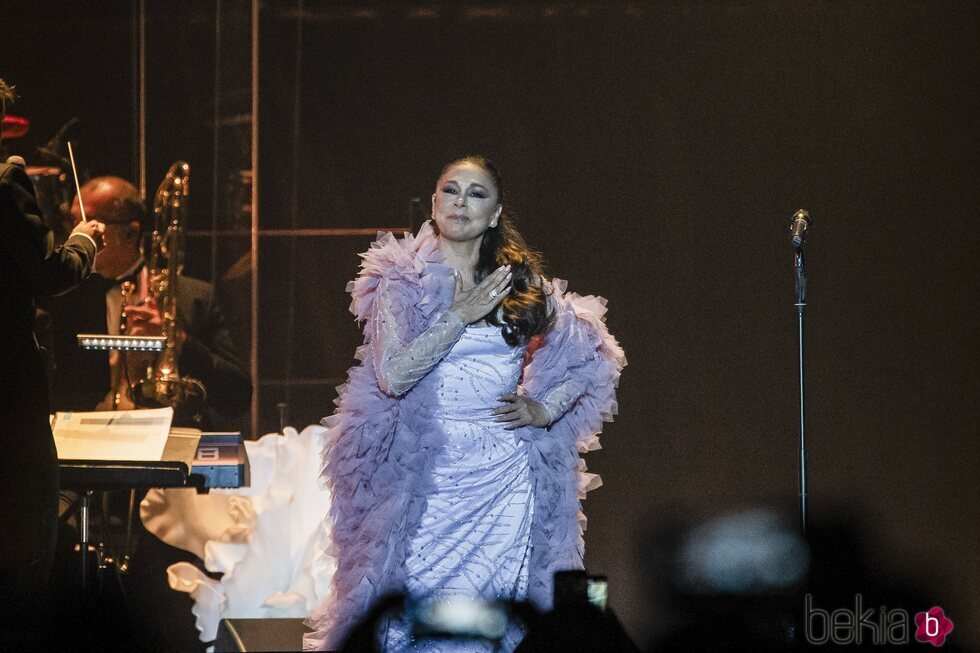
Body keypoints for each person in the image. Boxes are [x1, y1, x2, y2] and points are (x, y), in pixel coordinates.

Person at [304, 156, 626, 651]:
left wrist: (543, 408)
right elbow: (392, 377)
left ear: (495, 214)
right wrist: (457, 316)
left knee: (494, 622)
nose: (460, 201)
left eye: (476, 194)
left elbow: (593, 353)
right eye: (450, 190)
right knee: (413, 616)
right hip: (423, 479)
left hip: (501, 480)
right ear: (434, 203)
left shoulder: (517, 284)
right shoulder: (401, 283)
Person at [0, 77, 105, 646]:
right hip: (8, 391)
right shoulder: (4, 180)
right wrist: (83, 240)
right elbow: (48, 274)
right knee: (24, 531)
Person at [40, 175, 251, 429]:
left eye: (89, 222)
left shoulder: (194, 297)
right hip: (84, 444)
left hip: (172, 443)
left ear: (131, 233)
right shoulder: (60, 299)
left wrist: (177, 342)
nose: (75, 233)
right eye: (72, 222)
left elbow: (237, 397)